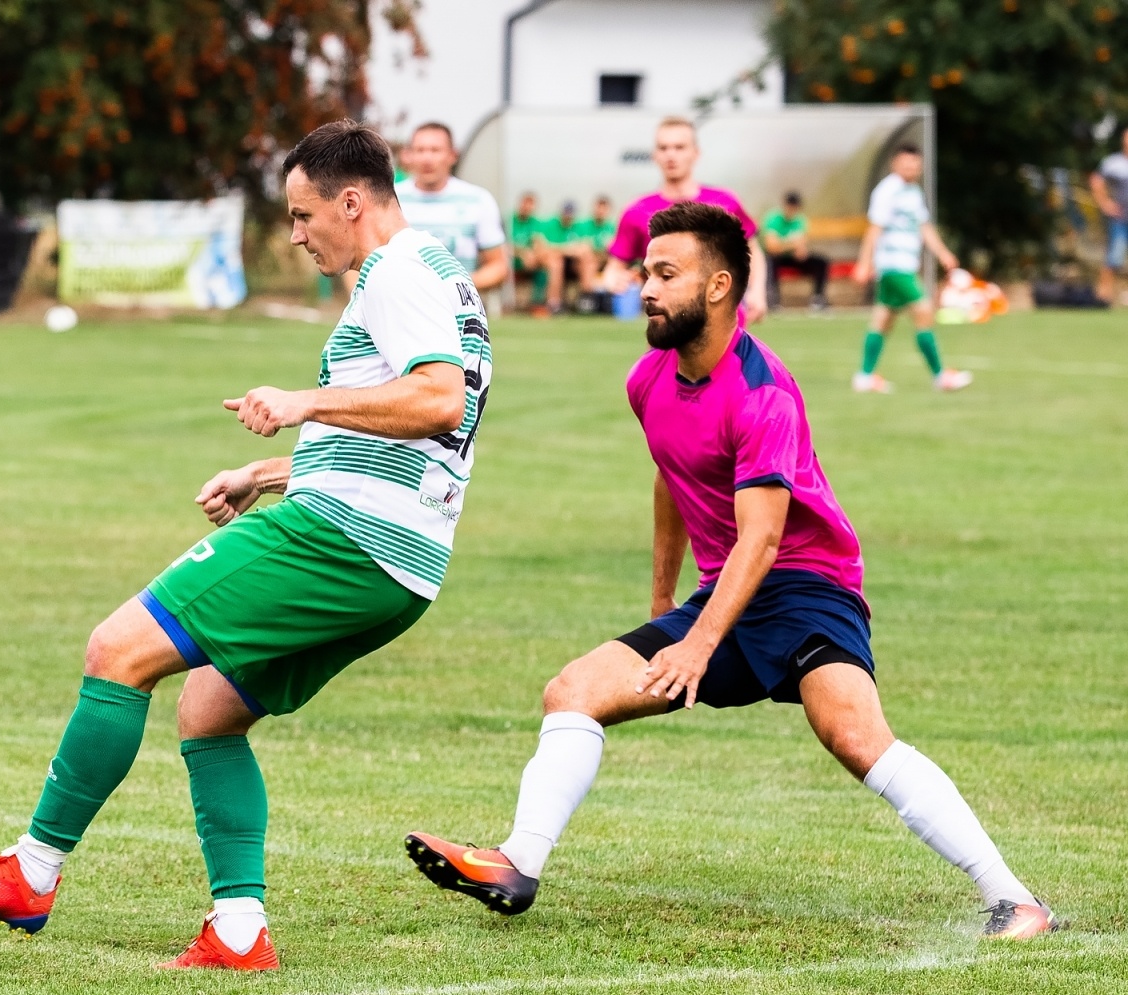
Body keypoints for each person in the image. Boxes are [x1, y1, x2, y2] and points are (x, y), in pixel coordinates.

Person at [0, 120, 492, 971]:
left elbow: (438, 401)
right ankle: (238, 930)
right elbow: (404, 433)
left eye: (303, 215)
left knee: (117, 651)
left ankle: (31, 873)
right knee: (209, 711)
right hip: (399, 561)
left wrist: (300, 400)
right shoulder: (443, 273)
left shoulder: (397, 272)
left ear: (350, 199)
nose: (296, 235)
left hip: (342, 542)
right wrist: (269, 470)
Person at [406, 202, 1057, 943]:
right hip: (727, 593)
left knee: (853, 734)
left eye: (665, 274)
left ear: (718, 288)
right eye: (646, 271)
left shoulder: (762, 392)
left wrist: (697, 643)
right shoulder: (648, 378)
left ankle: (1017, 900)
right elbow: (671, 477)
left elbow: (764, 539)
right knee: (573, 690)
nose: (644, 288)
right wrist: (662, 603)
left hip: (808, 587)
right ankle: (516, 865)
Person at [602, 116, 768, 323]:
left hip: (723, 327)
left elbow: (751, 251)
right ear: (655, 155)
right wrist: (613, 280)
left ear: (695, 153)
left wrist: (757, 291)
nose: (671, 154)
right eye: (663, 148)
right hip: (665, 328)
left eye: (679, 147)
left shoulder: (725, 203)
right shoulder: (637, 211)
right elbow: (613, 268)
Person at [851, 145, 972, 393]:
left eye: (915, 165)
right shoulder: (887, 191)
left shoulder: (913, 192)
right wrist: (865, 262)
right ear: (895, 164)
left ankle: (864, 376)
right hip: (893, 266)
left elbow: (924, 227)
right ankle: (940, 375)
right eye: (906, 164)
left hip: (905, 265)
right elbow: (874, 229)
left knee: (883, 320)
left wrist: (943, 253)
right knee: (924, 309)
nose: (911, 169)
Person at [395, 122, 509, 292]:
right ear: (409, 155)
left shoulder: (478, 200)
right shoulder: (390, 199)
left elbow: (499, 267)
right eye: (420, 150)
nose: (427, 158)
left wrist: (455, 285)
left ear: (453, 155)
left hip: (457, 313)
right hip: (400, 308)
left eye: (435, 150)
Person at [762, 191, 830, 311]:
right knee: (771, 262)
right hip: (777, 258)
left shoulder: (800, 220)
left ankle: (818, 298)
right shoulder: (773, 219)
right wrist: (792, 244)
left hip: (792, 257)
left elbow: (801, 246)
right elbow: (772, 248)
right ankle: (773, 299)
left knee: (821, 262)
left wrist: (796, 247)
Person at [538, 200, 600, 314]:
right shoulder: (551, 225)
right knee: (556, 264)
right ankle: (554, 303)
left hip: (574, 266)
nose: (568, 215)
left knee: (588, 262)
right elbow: (544, 249)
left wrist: (564, 249)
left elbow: (586, 248)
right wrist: (568, 249)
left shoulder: (579, 226)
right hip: (556, 266)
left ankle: (587, 300)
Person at [1089, 128, 1128, 305]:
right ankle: (1102, 298)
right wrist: (1105, 204)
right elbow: (1096, 181)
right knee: (1114, 257)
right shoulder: (1114, 163)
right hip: (1121, 218)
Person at [510, 191, 549, 307]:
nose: (527, 207)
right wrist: (522, 253)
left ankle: (537, 303)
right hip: (511, 261)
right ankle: (507, 304)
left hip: (529, 261)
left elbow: (539, 242)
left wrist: (534, 254)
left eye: (530, 204)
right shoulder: (509, 221)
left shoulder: (535, 223)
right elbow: (503, 245)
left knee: (544, 266)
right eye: (525, 203)